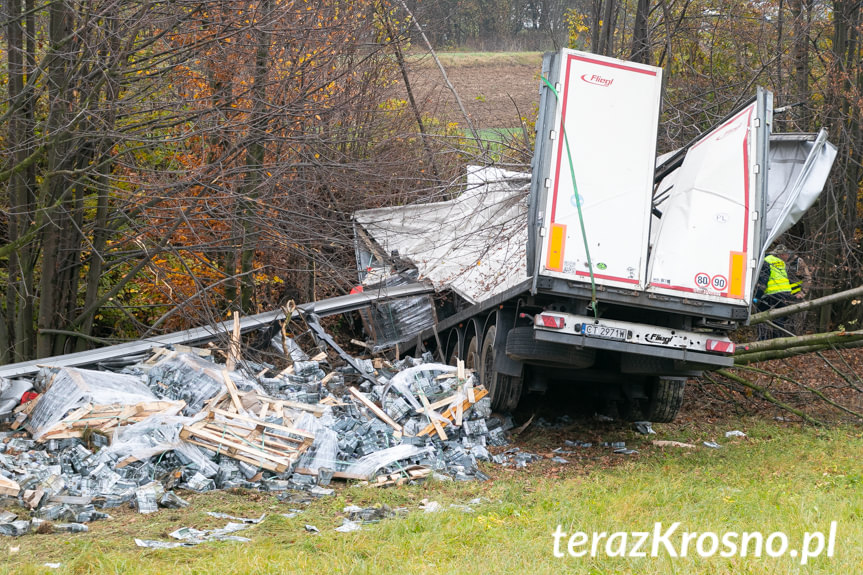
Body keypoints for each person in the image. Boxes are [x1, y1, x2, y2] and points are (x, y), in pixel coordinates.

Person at [754, 244, 802, 336]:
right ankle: (778, 341)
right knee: (779, 320)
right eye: (785, 254)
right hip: (785, 294)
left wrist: (757, 296)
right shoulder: (781, 263)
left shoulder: (766, 261)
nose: (787, 256)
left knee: (759, 316)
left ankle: (763, 339)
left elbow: (764, 282)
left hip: (772, 294)